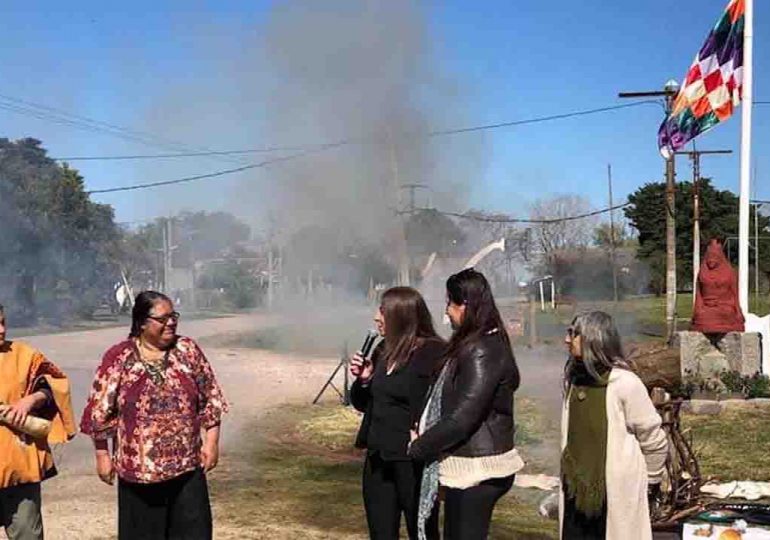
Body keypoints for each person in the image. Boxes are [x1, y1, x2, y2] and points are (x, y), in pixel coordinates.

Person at [80, 291, 228, 540]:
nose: (171, 322)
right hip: (140, 476)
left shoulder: (187, 350)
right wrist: (102, 455)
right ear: (141, 323)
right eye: (163, 318)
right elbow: (99, 410)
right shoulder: (119, 358)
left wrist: (212, 442)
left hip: (187, 470)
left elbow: (210, 397)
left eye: (173, 316)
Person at [409, 268, 522, 540]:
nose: (446, 311)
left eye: (450, 302)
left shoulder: (482, 349)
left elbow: (463, 418)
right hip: (465, 466)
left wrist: (420, 446)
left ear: (466, 305)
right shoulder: (473, 344)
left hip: (477, 470)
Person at [560, 311, 668, 540]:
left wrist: (650, 481)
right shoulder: (573, 379)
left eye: (574, 334)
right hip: (575, 490)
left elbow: (653, 439)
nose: (567, 339)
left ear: (594, 338)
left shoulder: (625, 384)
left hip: (614, 493)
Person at [349, 286, 445, 540]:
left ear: (401, 315)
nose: (376, 318)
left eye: (382, 311)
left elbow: (443, 406)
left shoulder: (434, 353)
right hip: (378, 460)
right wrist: (365, 380)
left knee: (422, 532)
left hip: (412, 461)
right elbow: (363, 403)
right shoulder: (383, 350)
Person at [0, 303, 76, 540]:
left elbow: (54, 383)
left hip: (20, 467)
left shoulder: (23, 355)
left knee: (27, 535)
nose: (1, 330)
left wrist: (32, 400)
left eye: (3, 322)